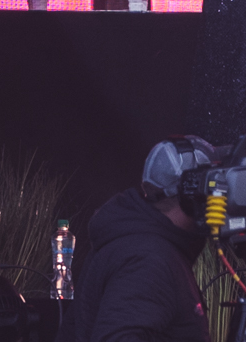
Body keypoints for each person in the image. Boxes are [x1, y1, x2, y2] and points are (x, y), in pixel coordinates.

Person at [61, 137, 217, 342]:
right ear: (191, 193)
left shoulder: (138, 242)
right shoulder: (148, 260)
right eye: (212, 186)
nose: (218, 197)